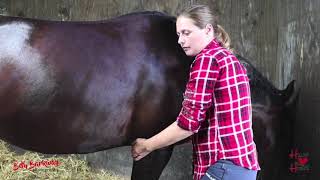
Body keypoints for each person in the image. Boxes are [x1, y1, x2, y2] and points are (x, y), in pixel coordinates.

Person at [131, 4, 260, 180]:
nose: (180, 41)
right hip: (243, 168)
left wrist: (147, 145)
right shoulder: (229, 59)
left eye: (186, 33)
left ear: (207, 30)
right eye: (178, 35)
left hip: (222, 168)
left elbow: (188, 124)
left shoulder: (207, 60)